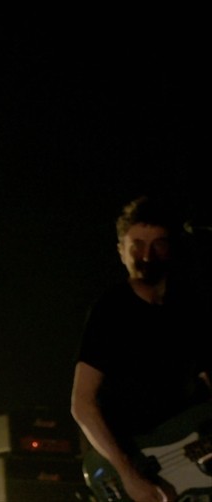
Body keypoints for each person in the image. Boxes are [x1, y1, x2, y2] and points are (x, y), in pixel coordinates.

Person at [70, 196, 212, 502]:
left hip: (192, 456)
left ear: (171, 248)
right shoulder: (110, 311)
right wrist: (128, 474)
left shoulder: (190, 307)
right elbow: (82, 403)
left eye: (158, 244)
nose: (147, 255)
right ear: (121, 251)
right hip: (136, 464)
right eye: (137, 245)